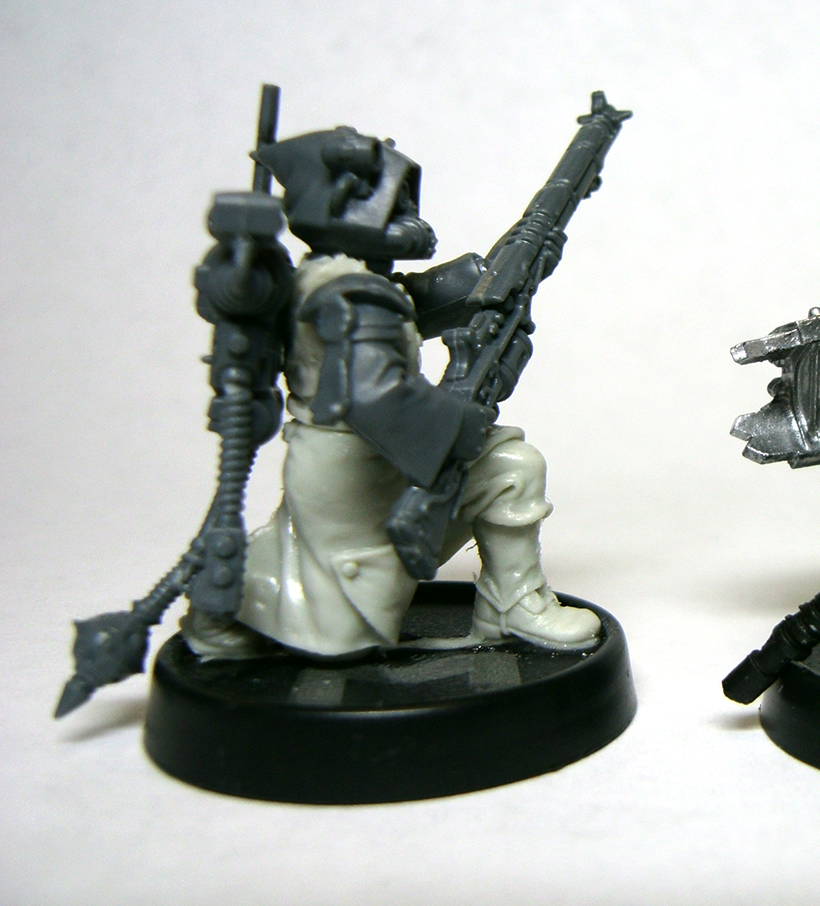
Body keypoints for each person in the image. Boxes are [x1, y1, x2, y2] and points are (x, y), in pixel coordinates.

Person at [180, 122, 599, 659]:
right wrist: (459, 422)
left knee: (511, 467)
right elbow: (374, 395)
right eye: (395, 205)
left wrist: (509, 265)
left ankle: (510, 602)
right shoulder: (351, 295)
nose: (409, 218)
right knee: (340, 633)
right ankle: (234, 603)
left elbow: (427, 300)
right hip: (358, 466)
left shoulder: (341, 279)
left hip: (362, 455)